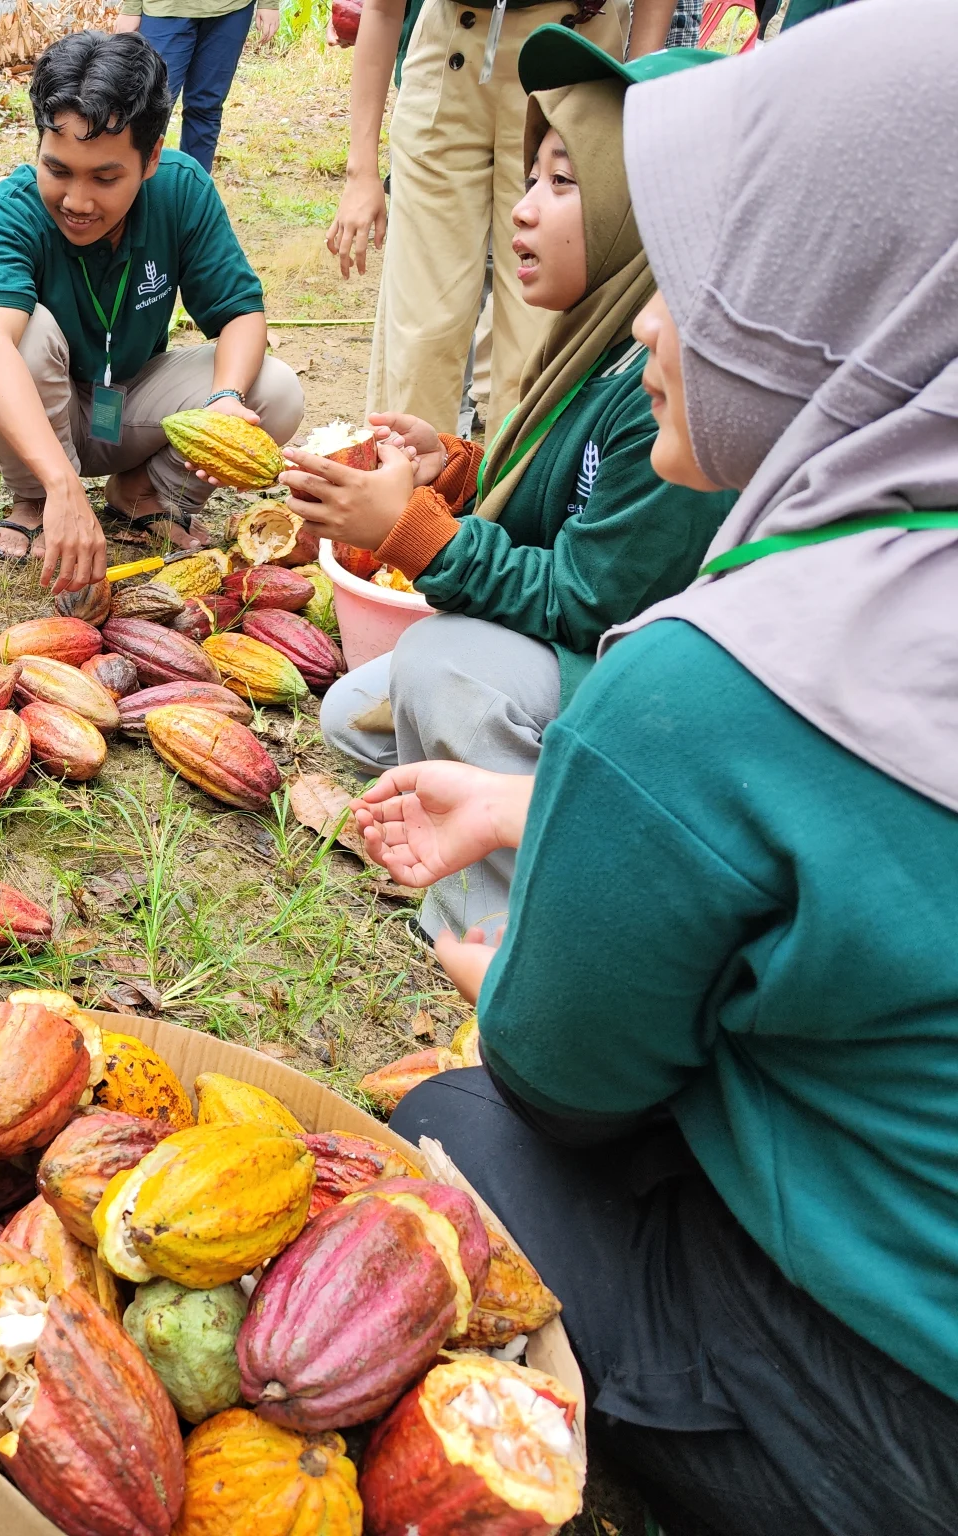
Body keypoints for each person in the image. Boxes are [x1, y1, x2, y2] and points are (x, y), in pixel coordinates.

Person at [359, 8, 958, 1530]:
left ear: (842, 302)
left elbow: (568, 1087)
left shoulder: (714, 685)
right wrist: (533, 805)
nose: (646, 322)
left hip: (879, 1432)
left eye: (707, 278)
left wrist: (513, 978)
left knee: (446, 1129)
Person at [283, 27, 733, 938]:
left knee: (447, 668)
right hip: (601, 675)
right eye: (531, 178)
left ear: (648, 210)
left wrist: (416, 531)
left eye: (565, 184)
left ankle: (490, 926)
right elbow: (567, 500)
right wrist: (462, 469)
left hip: (653, 709)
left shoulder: (666, 394)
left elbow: (583, 599)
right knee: (353, 710)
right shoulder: (603, 343)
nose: (524, 210)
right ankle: (490, 817)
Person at [0, 30, 303, 590]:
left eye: (105, 177)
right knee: (24, 333)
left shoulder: (182, 189)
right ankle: (37, 497)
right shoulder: (7, 213)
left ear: (151, 159)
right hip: (29, 415)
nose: (77, 201)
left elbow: (240, 312)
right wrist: (64, 485)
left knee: (276, 388)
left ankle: (143, 493)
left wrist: (225, 400)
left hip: (128, 399)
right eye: (58, 170)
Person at [329, 0, 669, 433]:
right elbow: (382, 8)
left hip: (573, 50)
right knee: (421, 328)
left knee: (542, 330)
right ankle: (404, 492)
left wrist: (633, 91)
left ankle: (518, 495)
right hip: (451, 50)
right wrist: (361, 172)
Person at [108, 0, 277, 172]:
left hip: (231, 10)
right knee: (148, 108)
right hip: (165, 10)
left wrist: (269, 3)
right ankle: (136, 192)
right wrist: (131, 7)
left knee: (206, 107)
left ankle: (193, 191)